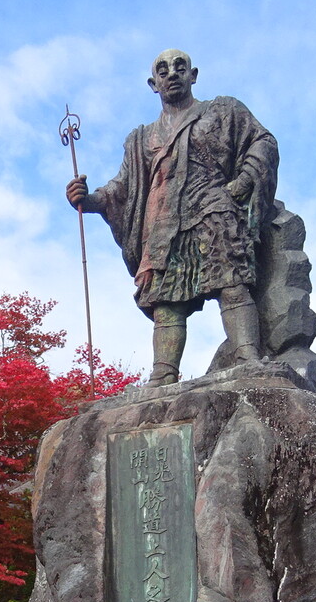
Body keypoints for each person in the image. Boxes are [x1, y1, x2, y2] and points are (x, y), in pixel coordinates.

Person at [67, 49, 278, 387]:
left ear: (193, 75)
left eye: (180, 67)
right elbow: (123, 187)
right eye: (163, 70)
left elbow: (262, 141)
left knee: (232, 285)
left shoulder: (223, 111)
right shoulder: (142, 138)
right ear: (153, 84)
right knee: (166, 304)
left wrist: (243, 180)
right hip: (164, 225)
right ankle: (163, 374)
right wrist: (88, 200)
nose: (172, 74)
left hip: (214, 210)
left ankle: (248, 357)